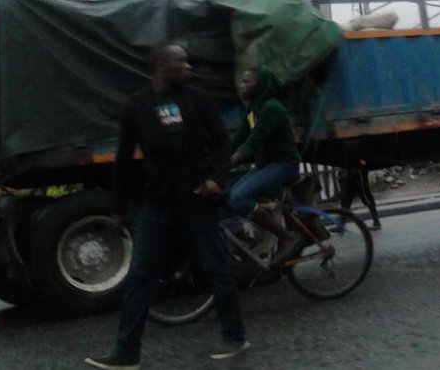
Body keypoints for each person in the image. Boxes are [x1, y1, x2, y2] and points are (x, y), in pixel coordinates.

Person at [86, 43, 248, 369]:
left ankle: (235, 338)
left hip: (197, 200)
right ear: (161, 67)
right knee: (140, 276)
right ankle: (126, 353)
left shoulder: (198, 100)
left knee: (217, 269)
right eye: (181, 61)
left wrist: (217, 179)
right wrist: (118, 206)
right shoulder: (137, 107)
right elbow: (123, 159)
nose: (188, 66)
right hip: (157, 204)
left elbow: (221, 141)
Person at [228, 67, 304, 264]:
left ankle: (287, 237)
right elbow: (239, 138)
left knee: (238, 197)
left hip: (283, 166)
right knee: (229, 196)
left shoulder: (271, 108)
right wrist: (217, 157)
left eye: (247, 82)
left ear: (260, 85)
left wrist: (226, 164)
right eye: (241, 81)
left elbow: (251, 143)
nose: (241, 86)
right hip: (266, 165)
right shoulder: (254, 108)